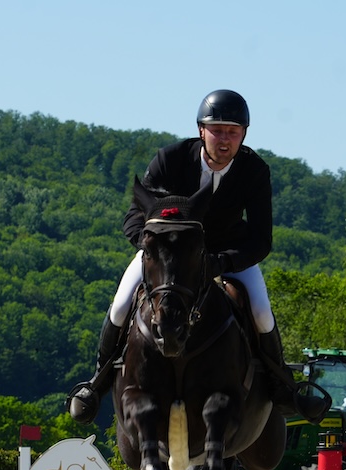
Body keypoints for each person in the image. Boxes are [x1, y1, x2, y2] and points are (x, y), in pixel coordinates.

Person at [69, 89, 308, 424]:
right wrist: (152, 246)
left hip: (226, 255)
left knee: (261, 311)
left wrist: (222, 263)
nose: (224, 140)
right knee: (122, 303)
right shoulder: (169, 160)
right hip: (167, 258)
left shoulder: (254, 170)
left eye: (233, 132)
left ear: (244, 135)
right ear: (201, 130)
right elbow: (134, 217)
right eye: (217, 131)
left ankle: (281, 385)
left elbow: (260, 239)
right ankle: (97, 381)